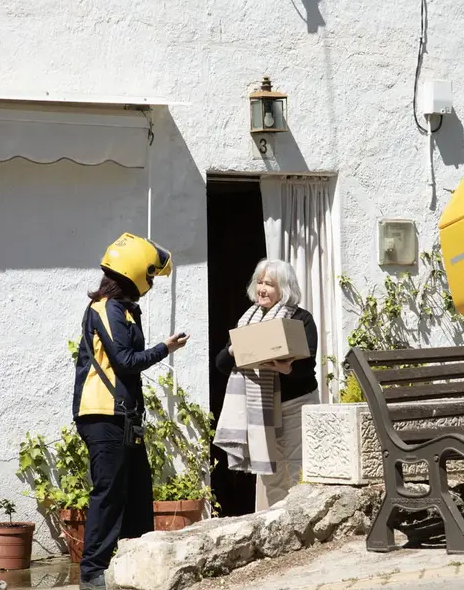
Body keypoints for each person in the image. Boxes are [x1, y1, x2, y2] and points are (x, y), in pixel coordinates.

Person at [73, 232, 189, 590]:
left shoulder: (123, 310)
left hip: (123, 416)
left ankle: (137, 563)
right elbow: (124, 361)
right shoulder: (106, 309)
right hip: (102, 415)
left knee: (138, 490)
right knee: (108, 492)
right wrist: (163, 349)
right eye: (150, 275)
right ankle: (92, 573)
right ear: (134, 272)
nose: (151, 282)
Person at [213, 258, 319, 510]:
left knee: (297, 467)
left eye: (269, 284)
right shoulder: (248, 321)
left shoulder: (301, 319)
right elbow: (221, 363)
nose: (261, 289)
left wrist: (288, 368)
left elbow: (309, 364)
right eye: (259, 282)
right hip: (262, 407)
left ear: (284, 288)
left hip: (296, 403)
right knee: (271, 474)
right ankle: (279, 527)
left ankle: (303, 519)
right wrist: (232, 350)